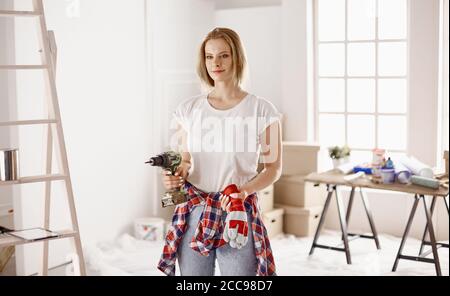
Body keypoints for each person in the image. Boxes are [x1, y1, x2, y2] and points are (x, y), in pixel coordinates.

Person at [157, 27, 282, 276]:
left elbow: (273, 169)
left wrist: (242, 191)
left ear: (237, 57)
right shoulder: (188, 109)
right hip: (194, 210)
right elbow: (185, 161)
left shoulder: (262, 110)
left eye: (224, 55)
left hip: (237, 211)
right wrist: (174, 177)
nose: (216, 63)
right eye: (209, 56)